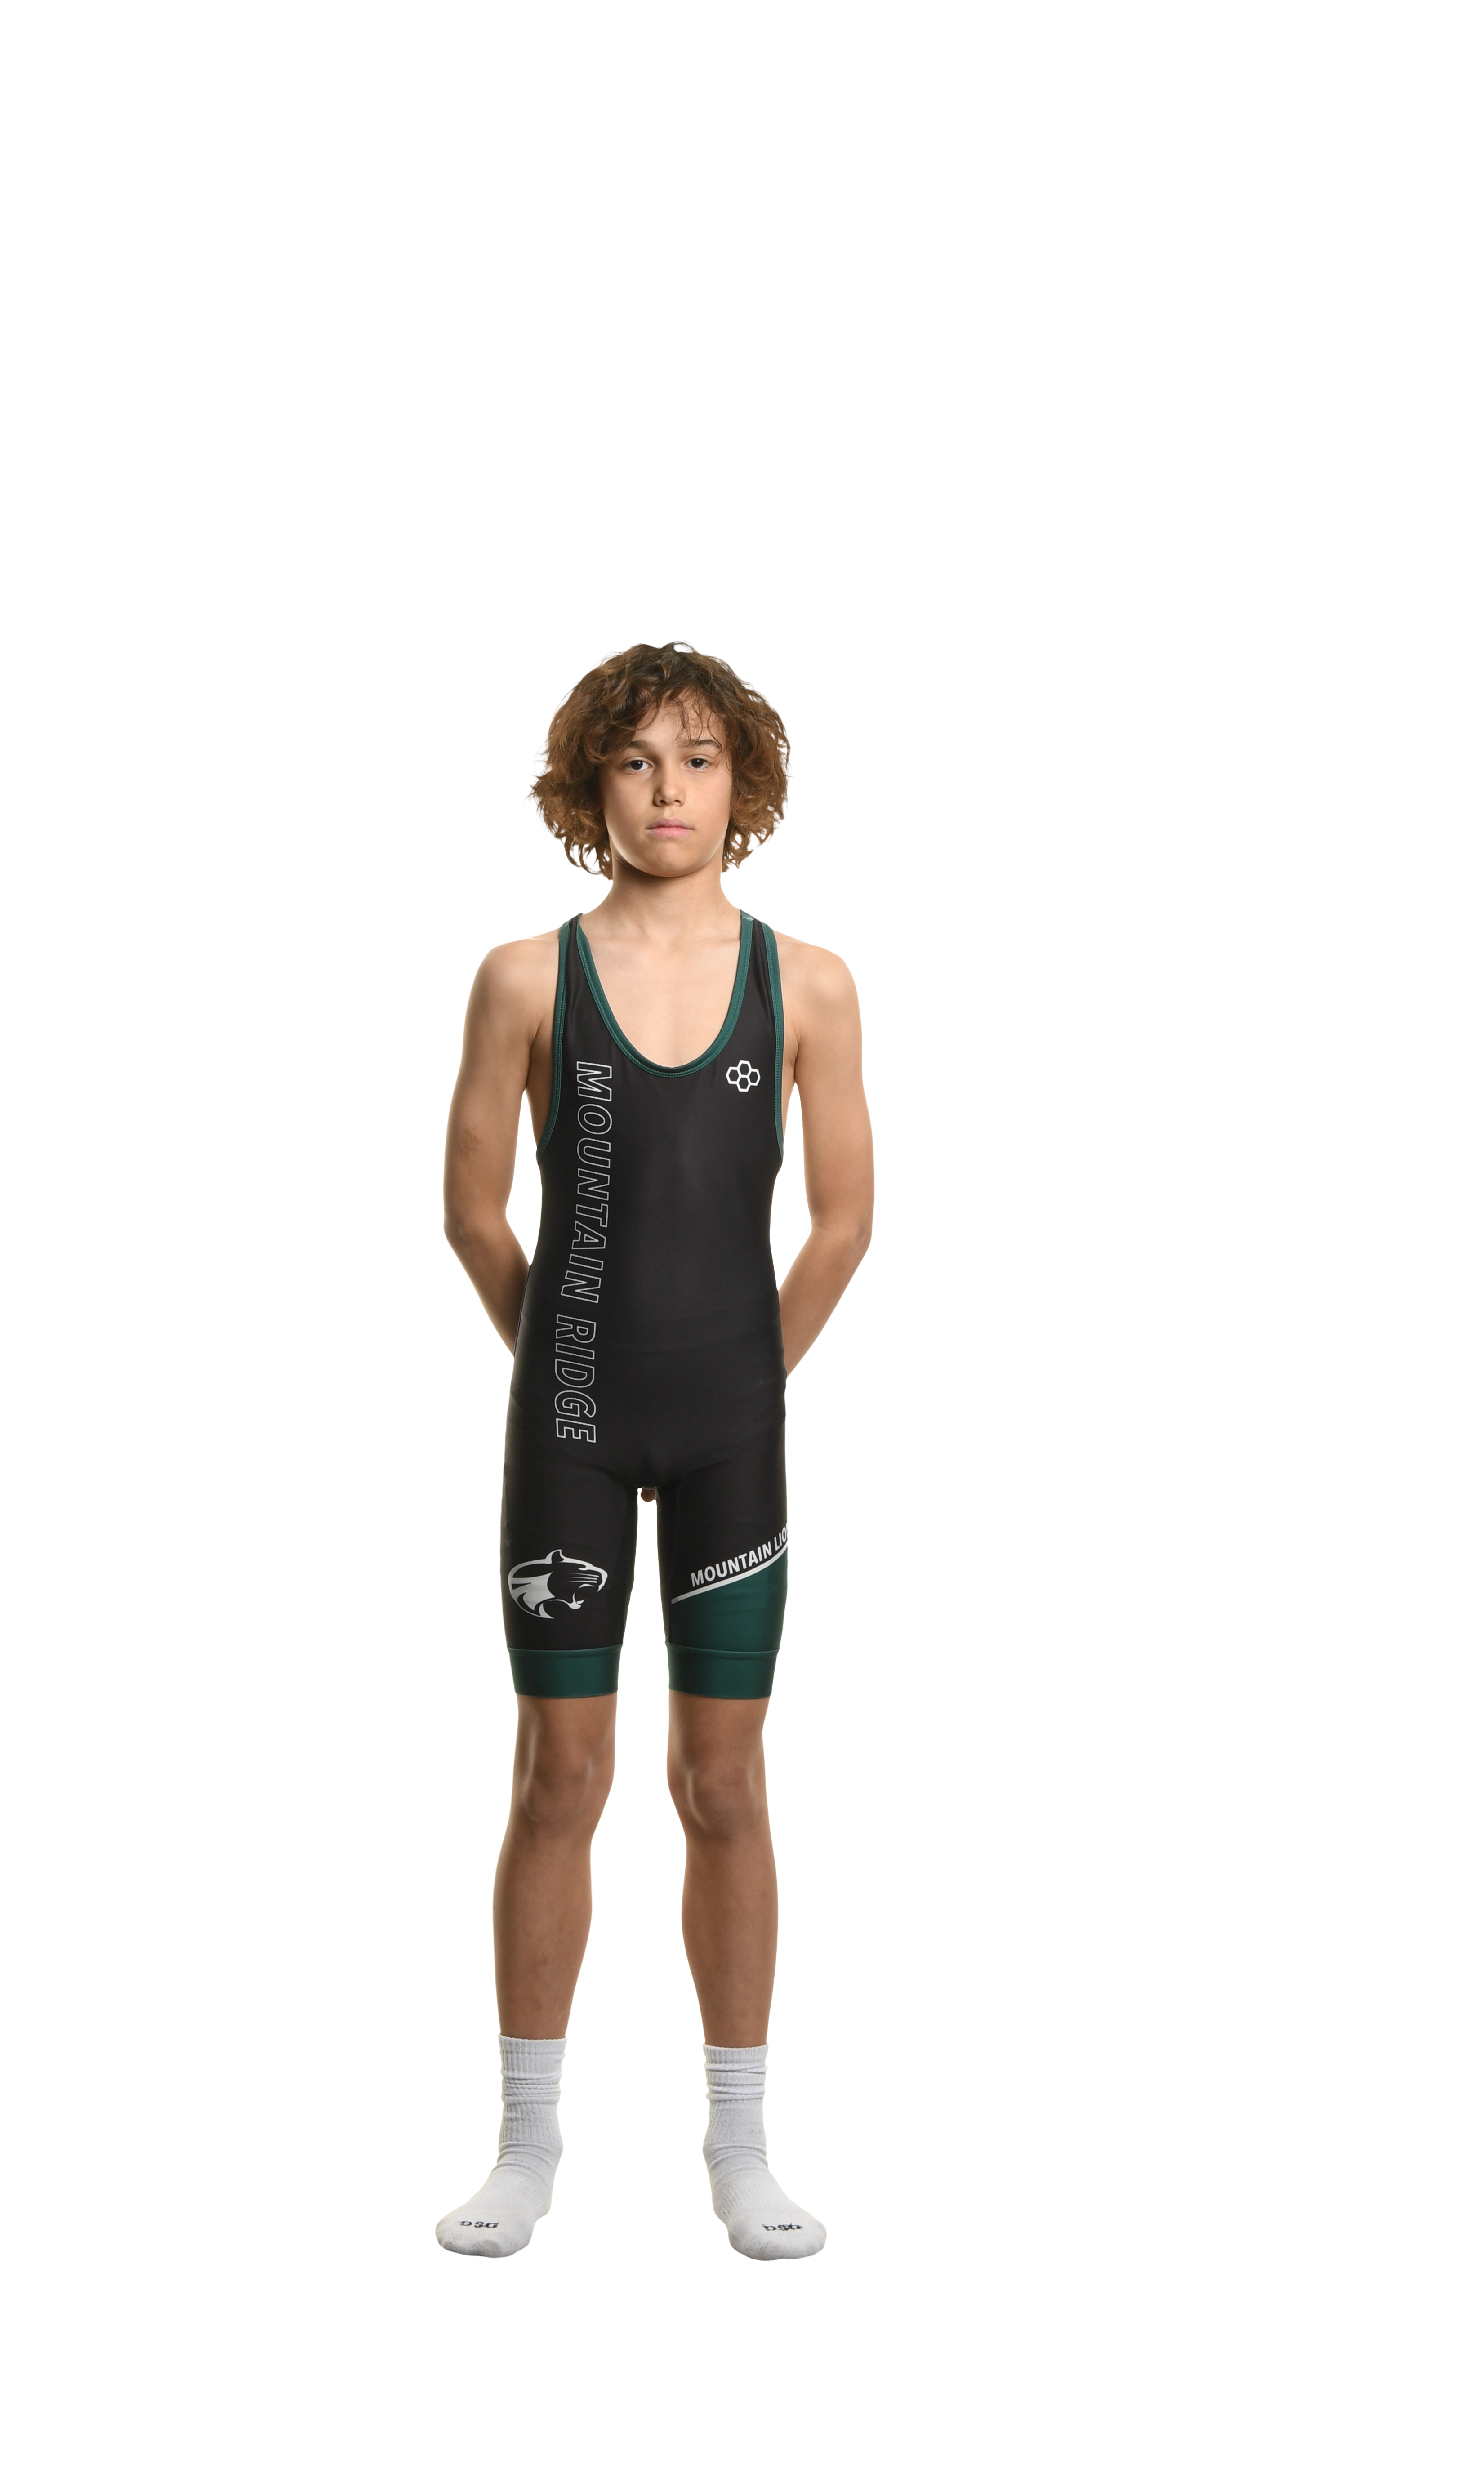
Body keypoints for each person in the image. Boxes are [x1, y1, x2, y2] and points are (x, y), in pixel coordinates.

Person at [436, 636, 873, 2264]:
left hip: (730, 1438)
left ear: (745, 783)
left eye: (698, 759)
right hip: (567, 1427)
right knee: (560, 1777)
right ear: (590, 785)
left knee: (722, 1781)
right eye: (634, 761)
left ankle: (741, 2146)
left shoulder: (806, 983)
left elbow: (846, 1221)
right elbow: (473, 1212)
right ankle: (524, 2148)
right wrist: (564, 1369)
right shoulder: (524, 979)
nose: (667, 790)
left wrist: (746, 1381)